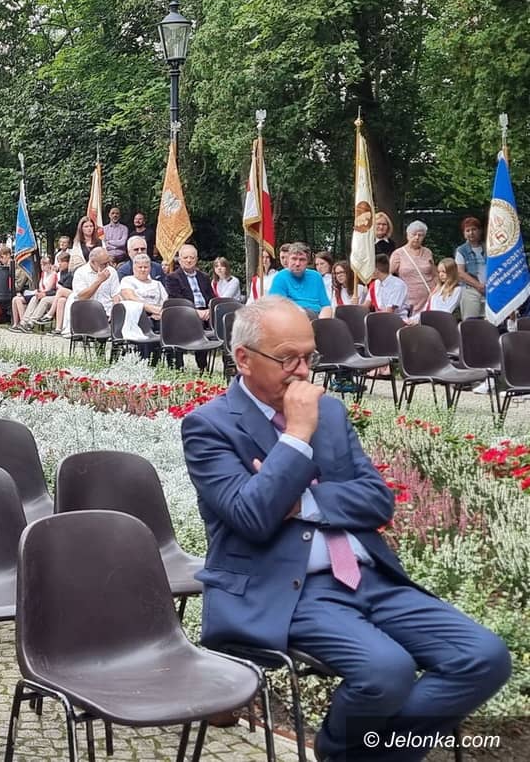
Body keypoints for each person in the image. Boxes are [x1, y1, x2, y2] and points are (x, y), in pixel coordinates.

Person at [181, 295, 510, 762]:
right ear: (244, 359)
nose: (302, 372)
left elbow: (377, 501)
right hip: (283, 588)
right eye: (288, 359)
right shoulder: (209, 426)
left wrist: (303, 502)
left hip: (368, 576)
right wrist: (296, 435)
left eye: (309, 357)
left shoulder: (331, 412)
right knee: (386, 671)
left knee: (483, 657)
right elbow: (252, 517)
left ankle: (351, 753)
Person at [60, 246, 119, 335]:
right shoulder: (80, 273)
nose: (107, 266)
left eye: (108, 262)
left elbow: (116, 295)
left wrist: (115, 311)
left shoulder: (112, 271)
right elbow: (82, 297)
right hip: (88, 314)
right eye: (103, 264)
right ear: (93, 262)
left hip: (108, 313)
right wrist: (99, 281)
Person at [268, 242, 333, 318]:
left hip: (317, 317)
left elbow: (326, 306)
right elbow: (276, 307)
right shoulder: (280, 277)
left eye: (302, 259)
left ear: (308, 262)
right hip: (292, 317)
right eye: (294, 259)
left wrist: (321, 322)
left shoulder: (316, 277)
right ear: (288, 260)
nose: (297, 263)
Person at [389, 220, 436, 317]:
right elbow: (389, 276)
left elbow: (434, 274)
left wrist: (435, 292)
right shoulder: (398, 253)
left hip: (429, 298)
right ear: (407, 235)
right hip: (408, 301)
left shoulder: (428, 252)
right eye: (414, 234)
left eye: (420, 235)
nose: (417, 237)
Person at [165, 243, 215, 323]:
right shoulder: (172, 278)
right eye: (185, 258)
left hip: (207, 313)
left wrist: (209, 310)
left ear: (196, 259)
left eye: (192, 257)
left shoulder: (204, 277)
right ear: (179, 260)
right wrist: (195, 312)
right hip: (186, 313)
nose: (189, 260)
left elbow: (212, 297)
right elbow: (178, 301)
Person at [11, 255, 58, 331]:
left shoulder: (54, 274)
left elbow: (49, 288)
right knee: (34, 298)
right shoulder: (43, 274)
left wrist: (41, 293)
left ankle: (31, 322)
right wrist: (39, 292)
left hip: (50, 294)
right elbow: (40, 286)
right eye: (41, 264)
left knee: (41, 299)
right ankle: (24, 322)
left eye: (45, 264)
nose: (43, 266)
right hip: (42, 293)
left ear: (50, 264)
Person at [410, 257, 462, 322]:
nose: (441, 275)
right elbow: (426, 309)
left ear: (451, 272)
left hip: (442, 321)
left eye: (444, 272)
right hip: (429, 320)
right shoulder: (438, 289)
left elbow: (448, 310)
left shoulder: (457, 289)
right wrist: (413, 319)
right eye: (439, 272)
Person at [455, 216, 486, 320]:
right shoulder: (461, 250)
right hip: (470, 289)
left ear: (480, 231)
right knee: (471, 322)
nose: (471, 233)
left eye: (474, 229)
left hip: (490, 288)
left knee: (491, 322)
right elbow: (460, 273)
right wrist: (479, 286)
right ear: (464, 233)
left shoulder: (488, 248)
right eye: (467, 230)